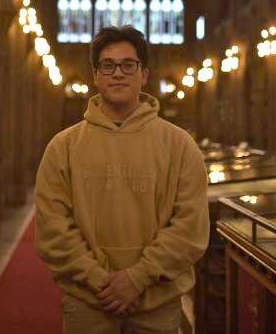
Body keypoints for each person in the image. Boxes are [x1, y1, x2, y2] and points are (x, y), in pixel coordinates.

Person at [35, 25, 209, 334]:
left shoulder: (180, 145)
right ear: (95, 75)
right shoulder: (62, 147)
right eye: (108, 65)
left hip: (156, 305)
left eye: (129, 65)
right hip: (88, 304)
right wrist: (100, 281)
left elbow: (190, 228)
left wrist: (137, 278)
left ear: (144, 74)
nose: (118, 73)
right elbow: (53, 228)